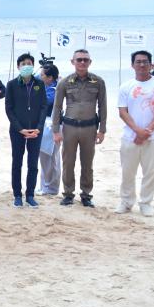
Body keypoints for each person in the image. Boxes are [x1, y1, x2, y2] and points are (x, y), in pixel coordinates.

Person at [115, 51, 154, 217]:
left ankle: (146, 203)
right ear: (132, 65)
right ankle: (126, 202)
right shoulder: (125, 86)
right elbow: (122, 112)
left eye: (145, 62)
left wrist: (147, 132)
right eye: (138, 62)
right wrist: (138, 131)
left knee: (150, 172)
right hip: (130, 136)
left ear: (151, 64)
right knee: (128, 172)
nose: (141, 65)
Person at [52, 49, 107, 208]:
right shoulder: (65, 82)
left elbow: (102, 106)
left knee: (87, 163)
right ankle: (68, 194)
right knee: (68, 162)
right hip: (69, 127)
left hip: (90, 128)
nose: (82, 62)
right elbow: (57, 107)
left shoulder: (98, 82)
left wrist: (102, 130)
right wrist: (56, 131)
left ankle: (86, 195)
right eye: (79, 60)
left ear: (90, 62)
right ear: (73, 62)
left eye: (85, 60)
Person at [5, 54, 48, 208]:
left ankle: (30, 194)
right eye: (23, 64)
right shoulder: (11, 85)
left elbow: (44, 106)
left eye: (29, 63)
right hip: (18, 130)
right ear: (18, 66)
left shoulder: (39, 84)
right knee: (17, 162)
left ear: (33, 65)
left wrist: (39, 127)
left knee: (33, 164)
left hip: (36, 130)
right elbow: (9, 109)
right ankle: (17, 194)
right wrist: (20, 129)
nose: (26, 66)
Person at [38, 64, 62, 195]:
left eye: (43, 75)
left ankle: (51, 188)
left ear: (50, 77)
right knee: (44, 157)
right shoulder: (47, 86)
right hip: (45, 124)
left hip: (52, 125)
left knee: (51, 157)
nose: (40, 77)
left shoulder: (55, 89)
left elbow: (46, 102)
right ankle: (44, 185)